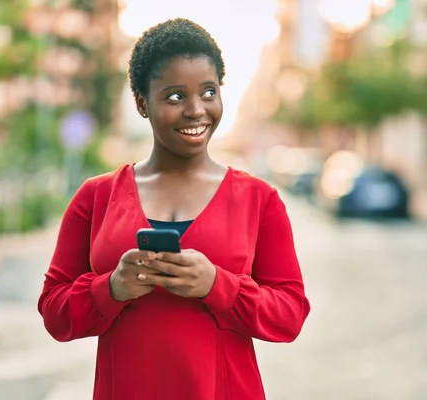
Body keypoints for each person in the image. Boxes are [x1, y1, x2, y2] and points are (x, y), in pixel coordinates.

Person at [38, 18, 310, 400]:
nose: (196, 110)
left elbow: (290, 314)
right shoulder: (95, 197)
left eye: (209, 92)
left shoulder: (259, 199)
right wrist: (111, 288)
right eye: (176, 96)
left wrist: (220, 286)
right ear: (142, 103)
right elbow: (53, 310)